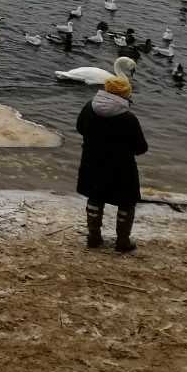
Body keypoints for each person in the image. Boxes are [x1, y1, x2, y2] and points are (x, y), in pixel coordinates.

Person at [75, 76, 147, 252]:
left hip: (92, 163)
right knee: (127, 202)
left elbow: (79, 128)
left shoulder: (88, 108)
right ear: (125, 94)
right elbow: (141, 148)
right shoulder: (128, 118)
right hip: (122, 168)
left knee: (95, 196)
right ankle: (122, 242)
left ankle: (93, 237)